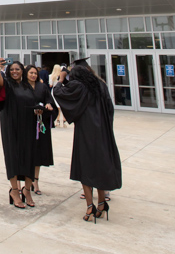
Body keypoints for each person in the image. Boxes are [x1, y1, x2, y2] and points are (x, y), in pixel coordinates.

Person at [52, 60, 122, 223]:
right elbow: (110, 109)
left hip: (86, 131)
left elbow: (58, 92)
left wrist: (61, 78)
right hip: (103, 131)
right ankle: (102, 203)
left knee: (85, 165)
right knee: (100, 165)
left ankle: (90, 206)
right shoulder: (100, 85)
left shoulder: (78, 86)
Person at [0, 58, 38, 209]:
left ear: (22, 71)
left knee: (29, 155)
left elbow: (33, 102)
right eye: (12, 69)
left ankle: (27, 190)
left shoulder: (27, 86)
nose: (14, 72)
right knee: (13, 155)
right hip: (10, 124)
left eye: (17, 69)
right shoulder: (7, 84)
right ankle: (14, 191)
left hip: (28, 125)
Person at [25, 65, 54, 196]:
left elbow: (49, 100)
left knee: (38, 153)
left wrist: (48, 105)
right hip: (26, 124)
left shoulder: (42, 87)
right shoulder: (22, 87)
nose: (33, 75)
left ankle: (35, 181)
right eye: (31, 73)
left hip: (40, 123)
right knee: (27, 152)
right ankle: (27, 180)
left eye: (35, 73)